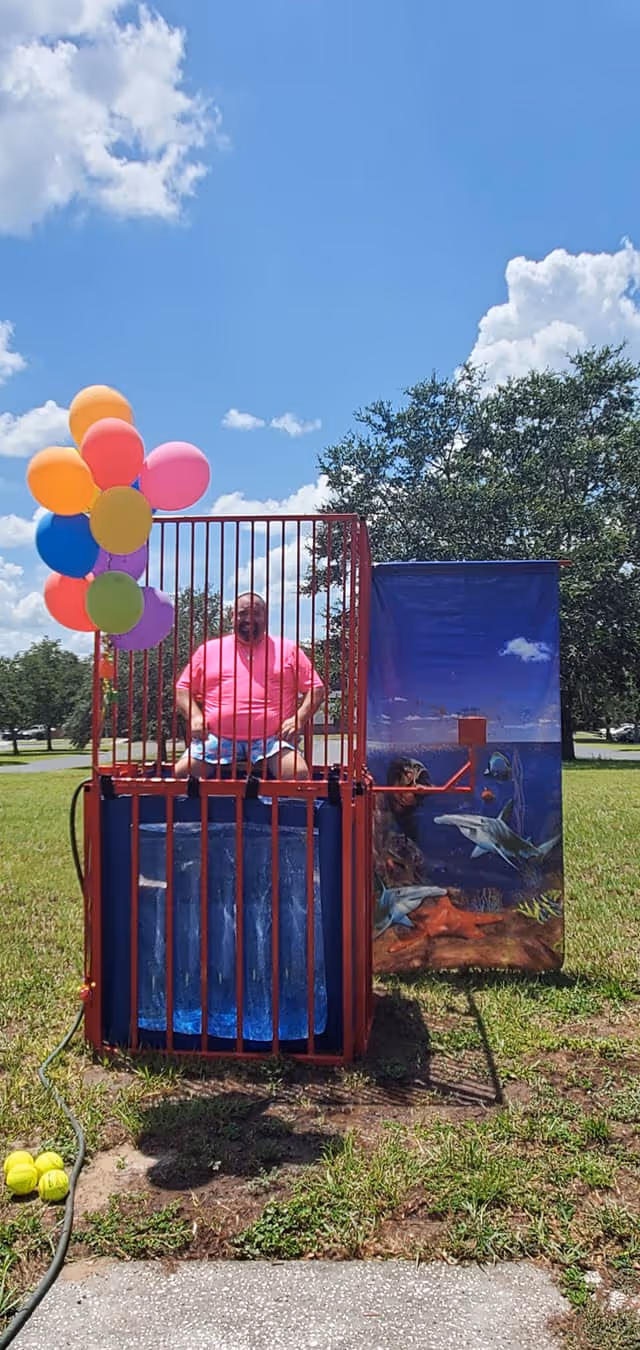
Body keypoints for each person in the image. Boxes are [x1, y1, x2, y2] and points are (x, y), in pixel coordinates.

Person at [174, 592, 324, 779]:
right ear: (232, 615)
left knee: (297, 774)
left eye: (256, 613)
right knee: (181, 775)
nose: (249, 619)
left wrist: (299, 718)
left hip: (273, 739)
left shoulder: (288, 650)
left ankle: (285, 809)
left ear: (265, 617)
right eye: (243, 613)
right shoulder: (209, 651)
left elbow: (316, 688)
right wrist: (195, 716)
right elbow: (183, 688)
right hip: (217, 738)